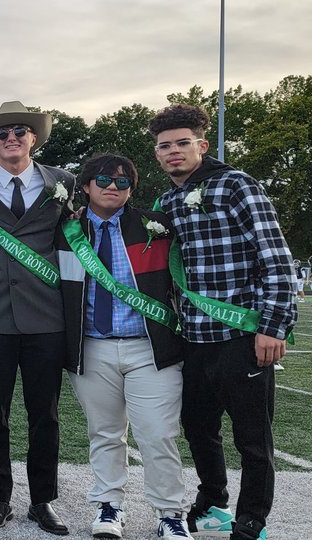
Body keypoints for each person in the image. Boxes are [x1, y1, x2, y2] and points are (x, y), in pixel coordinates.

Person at [149, 104, 296, 540]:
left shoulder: (237, 184)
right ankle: (212, 502)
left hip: (242, 333)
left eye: (181, 143)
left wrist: (273, 325)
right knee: (199, 428)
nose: (173, 152)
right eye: (164, 146)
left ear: (202, 145)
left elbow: (277, 259)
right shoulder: (167, 200)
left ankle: (253, 519)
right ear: (156, 154)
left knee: (252, 437)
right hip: (194, 336)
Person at [57, 154, 190, 539]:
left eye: (123, 182)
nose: (113, 187)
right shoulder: (65, 230)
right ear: (85, 186)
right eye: (103, 179)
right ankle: (108, 505)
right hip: (92, 347)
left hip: (151, 349)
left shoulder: (157, 226)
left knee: (158, 434)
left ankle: (170, 514)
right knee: (105, 432)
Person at [0, 101, 75, 535]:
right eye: (3, 133)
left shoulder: (62, 181)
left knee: (45, 413)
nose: (12, 138)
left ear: (33, 138)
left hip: (47, 314)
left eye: (20, 131)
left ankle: (43, 501)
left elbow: (71, 236)